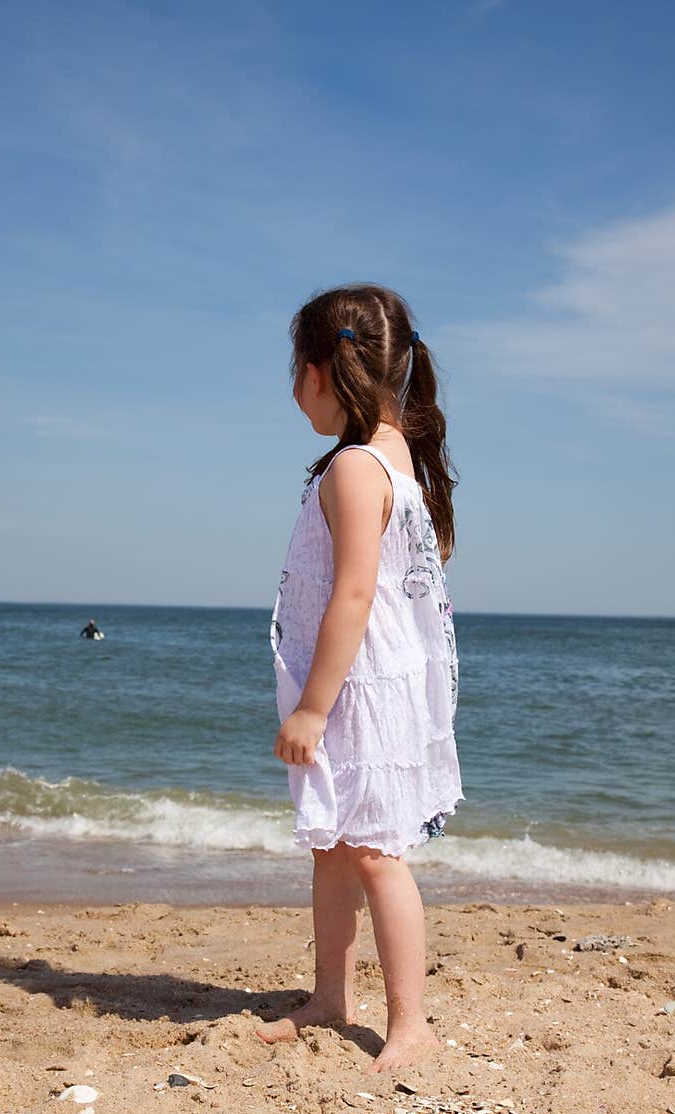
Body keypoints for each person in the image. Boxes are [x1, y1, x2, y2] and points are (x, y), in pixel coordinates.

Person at [260, 283, 465, 1072]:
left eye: (293, 368)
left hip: (358, 688)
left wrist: (312, 707)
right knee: (335, 846)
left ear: (319, 372)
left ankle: (410, 1020)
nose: (291, 387)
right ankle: (330, 997)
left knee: (376, 850)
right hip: (375, 681)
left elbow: (352, 593)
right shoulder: (395, 453)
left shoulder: (353, 467)